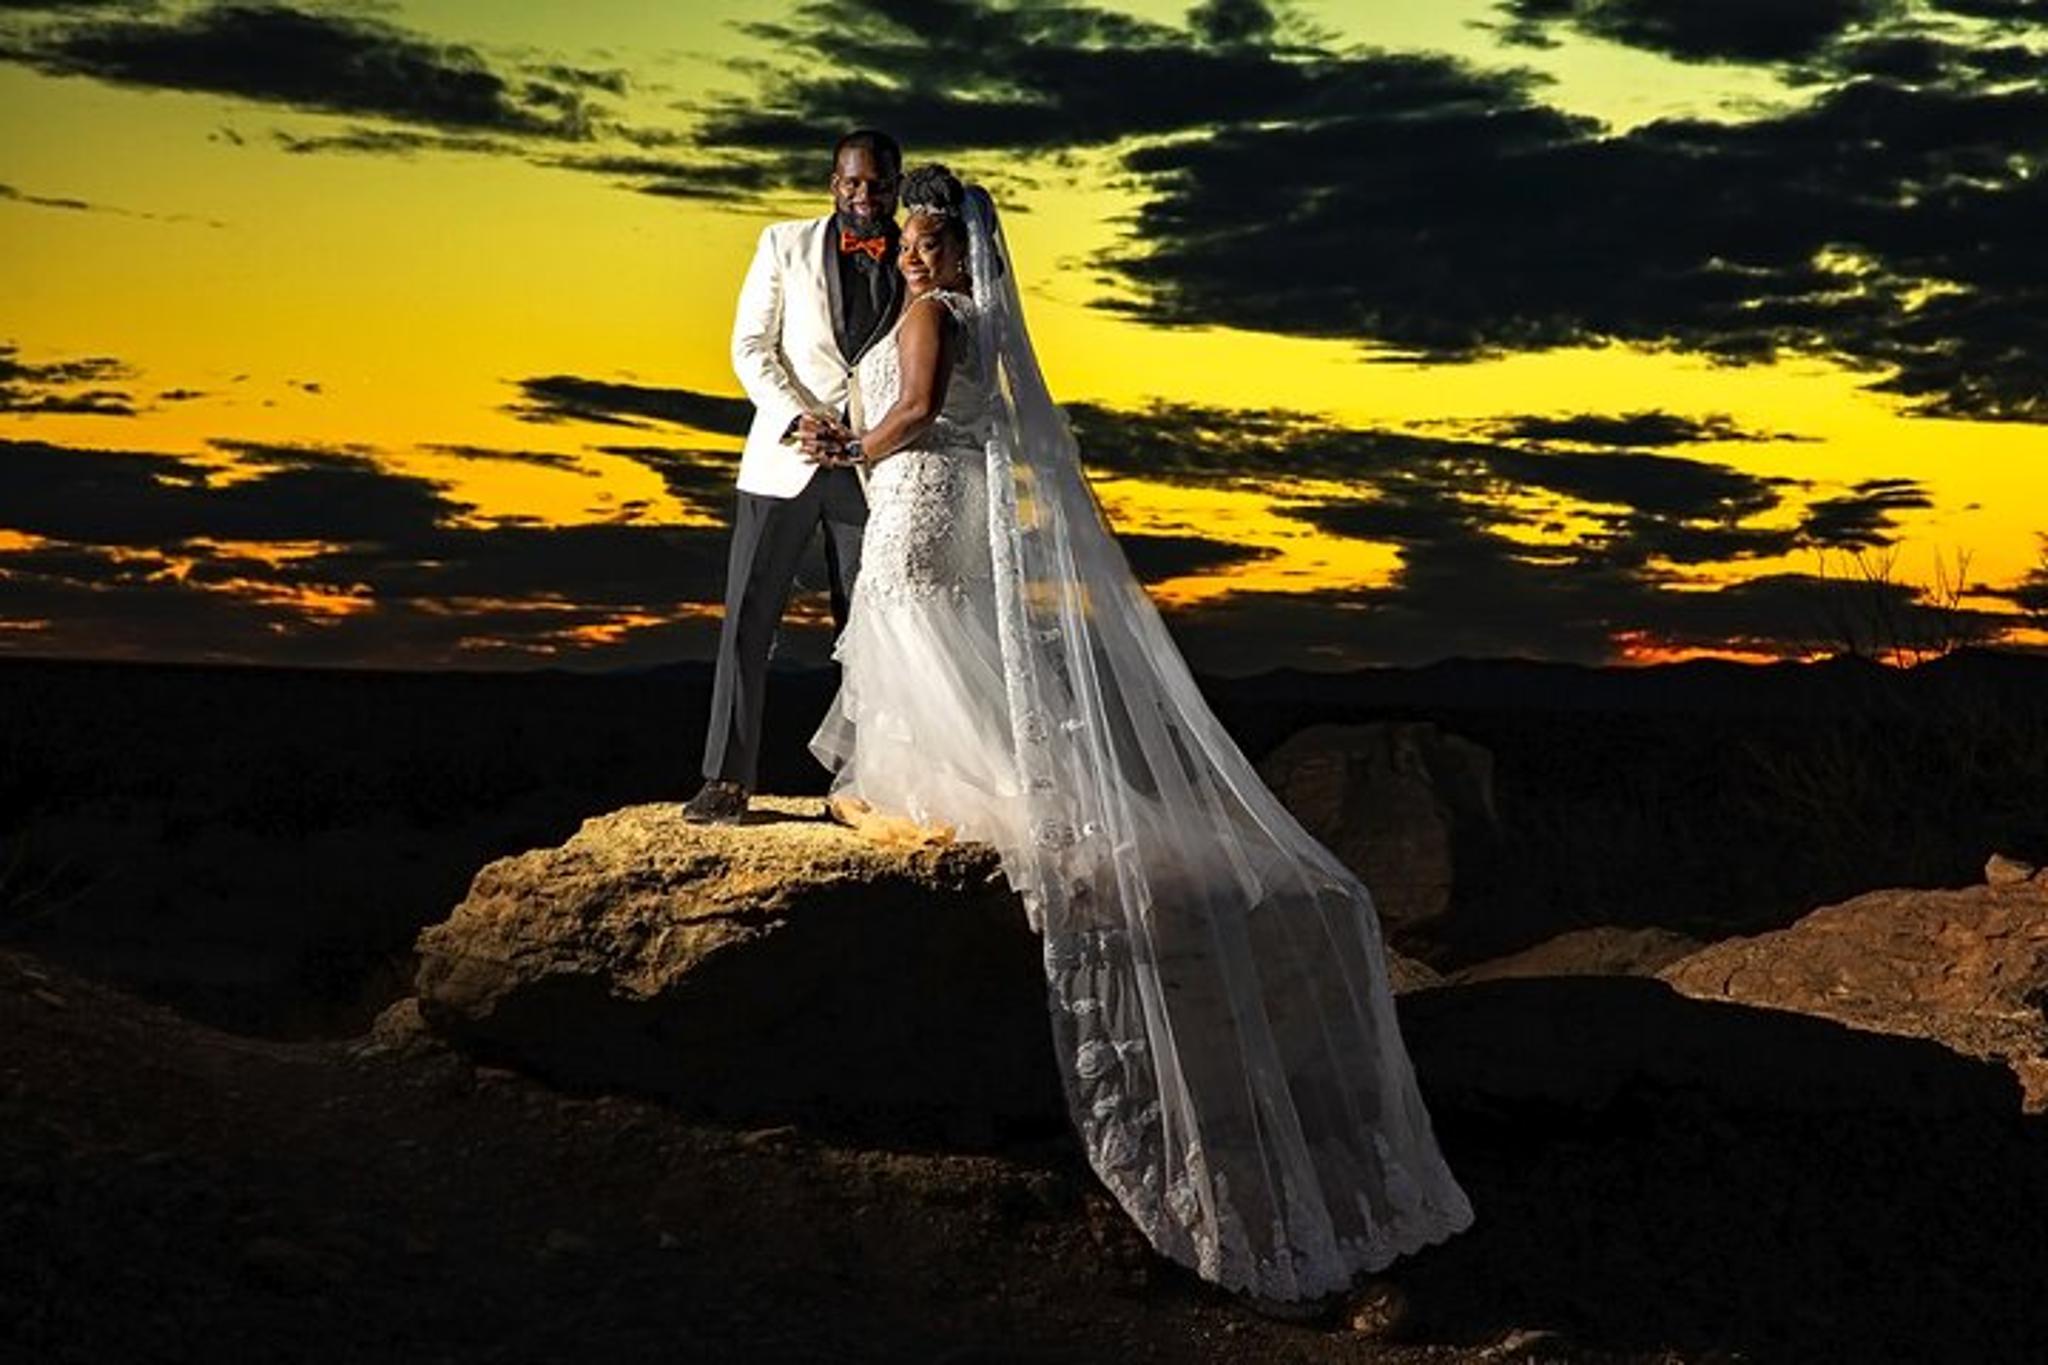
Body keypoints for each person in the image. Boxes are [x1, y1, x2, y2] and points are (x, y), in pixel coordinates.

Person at [805, 164, 1475, 1304]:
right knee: (934, 624)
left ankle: (931, 781)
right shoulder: (979, 317)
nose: (914, 258)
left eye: (927, 242)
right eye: (909, 244)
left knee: (910, 616)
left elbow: (911, 413)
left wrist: (845, 450)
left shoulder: (927, 315)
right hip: (955, 500)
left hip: (918, 493)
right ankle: (936, 770)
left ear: (956, 249)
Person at [683, 129, 905, 826]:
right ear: (831, 181)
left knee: (871, 628)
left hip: (870, 470)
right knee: (748, 618)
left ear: (896, 185)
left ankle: (864, 781)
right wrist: (796, 419)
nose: (863, 195)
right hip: (785, 457)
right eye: (851, 181)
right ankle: (725, 777)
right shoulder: (782, 243)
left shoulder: (918, 256)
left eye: (876, 183)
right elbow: (749, 346)